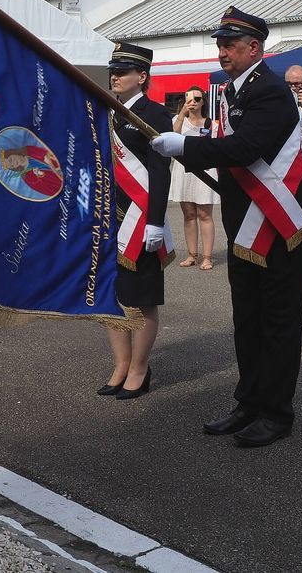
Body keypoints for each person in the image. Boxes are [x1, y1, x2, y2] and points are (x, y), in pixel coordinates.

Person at [151, 6, 302, 447]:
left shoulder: (270, 91)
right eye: (219, 44)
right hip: (247, 219)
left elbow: (246, 147)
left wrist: (184, 145)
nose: (221, 51)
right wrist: (195, 144)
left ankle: (276, 412)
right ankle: (248, 402)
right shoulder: (232, 90)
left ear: (254, 48)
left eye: (229, 44)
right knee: (247, 317)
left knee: (278, 320)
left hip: (283, 221)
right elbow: (227, 143)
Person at [100, 42, 173, 400]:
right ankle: (121, 364)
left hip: (140, 218)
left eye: (123, 70)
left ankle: (140, 369)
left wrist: (156, 221)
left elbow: (160, 171)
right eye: (113, 70)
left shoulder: (154, 114)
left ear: (141, 76)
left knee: (141, 298)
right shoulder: (106, 113)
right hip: (108, 219)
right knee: (112, 297)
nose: (115, 76)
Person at [169, 86, 219, 270]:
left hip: (205, 170)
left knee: (204, 214)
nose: (193, 102)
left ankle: (207, 256)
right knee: (189, 215)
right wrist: (182, 114)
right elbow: (171, 139)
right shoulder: (178, 120)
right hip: (183, 170)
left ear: (204, 101)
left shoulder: (211, 124)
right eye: (189, 98)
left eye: (198, 99)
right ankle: (192, 255)